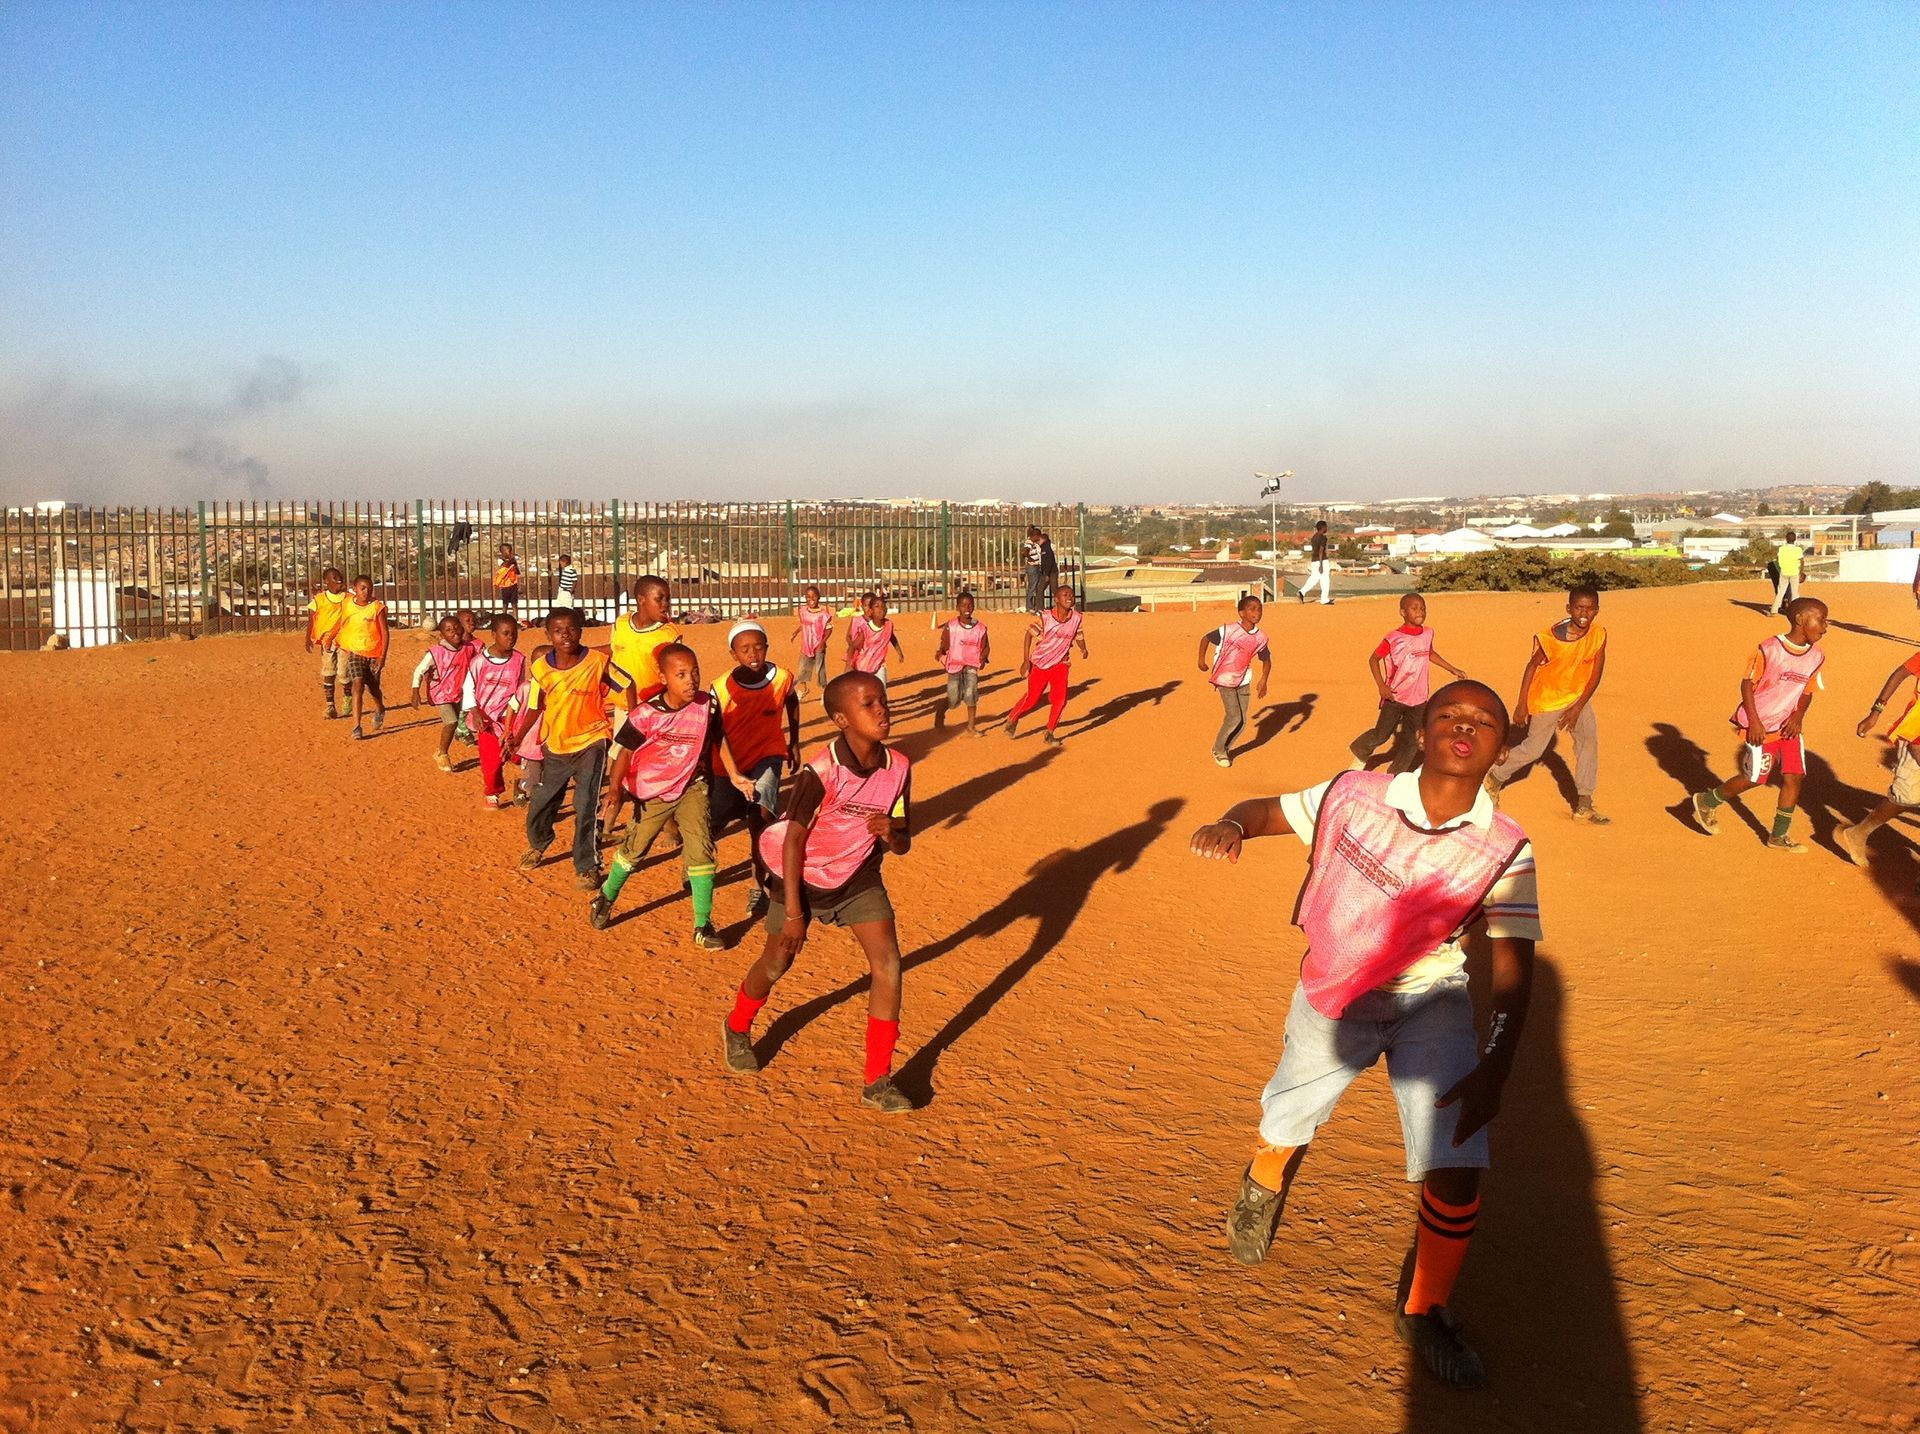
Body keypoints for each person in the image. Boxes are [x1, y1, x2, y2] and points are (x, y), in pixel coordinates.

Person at [1190, 680, 1539, 1389]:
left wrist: (1496, 1063)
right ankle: (1263, 1182)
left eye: (1484, 722)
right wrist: (1231, 821)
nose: (1464, 727)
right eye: (1449, 714)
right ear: (1421, 728)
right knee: (1288, 1116)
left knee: (1458, 1152)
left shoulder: (1506, 848)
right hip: (1334, 993)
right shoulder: (1354, 793)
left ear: (1504, 747)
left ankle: (1426, 1307)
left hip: (1429, 998)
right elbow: (1265, 811)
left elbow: (1512, 960)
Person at [721, 672, 914, 1114]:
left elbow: (904, 841)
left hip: (857, 876)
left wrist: (892, 835)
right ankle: (737, 1026)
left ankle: (877, 1080)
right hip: (799, 875)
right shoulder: (821, 770)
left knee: (887, 962)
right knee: (777, 961)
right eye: (869, 704)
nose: (882, 710)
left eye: (882, 700)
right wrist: (794, 914)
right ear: (840, 718)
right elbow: (792, 839)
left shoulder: (899, 769)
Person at [592, 643, 756, 948]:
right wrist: (614, 788)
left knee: (701, 851)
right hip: (653, 792)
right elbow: (625, 751)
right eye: (681, 674)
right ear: (664, 677)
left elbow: (718, 737)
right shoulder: (647, 714)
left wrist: (734, 775)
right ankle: (607, 895)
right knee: (634, 850)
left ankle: (703, 925)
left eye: (694, 672)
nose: (690, 680)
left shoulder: (707, 706)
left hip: (693, 786)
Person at [1690, 598, 1828, 854]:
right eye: (1820, 620)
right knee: (1755, 778)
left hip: (1789, 725)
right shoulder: (1769, 649)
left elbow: (1807, 691)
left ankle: (1778, 835)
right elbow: (1747, 684)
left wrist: (1798, 717)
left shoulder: (1817, 657)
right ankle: (1707, 801)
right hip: (1761, 725)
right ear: (1800, 620)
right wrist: (1754, 721)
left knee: (1795, 777)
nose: (1825, 627)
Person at [504, 607, 631, 888]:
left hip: (592, 741)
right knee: (542, 800)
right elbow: (535, 706)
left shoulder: (597, 662)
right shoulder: (541, 669)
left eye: (572, 629)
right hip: (556, 745)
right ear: (548, 634)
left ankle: (586, 865)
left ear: (581, 631)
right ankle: (539, 842)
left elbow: (626, 684)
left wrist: (635, 718)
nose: (566, 635)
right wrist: (516, 735)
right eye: (558, 630)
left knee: (585, 803)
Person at [1485, 585, 1609, 823]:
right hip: (1548, 698)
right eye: (1579, 607)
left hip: (1577, 696)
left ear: (1597, 611)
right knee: (1534, 748)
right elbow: (1532, 667)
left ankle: (1584, 804)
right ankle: (1494, 778)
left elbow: (1596, 673)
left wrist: (1578, 707)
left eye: (1590, 608)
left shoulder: (1599, 634)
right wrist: (1522, 705)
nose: (1584, 613)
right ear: (1569, 608)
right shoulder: (1551, 637)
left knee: (1588, 742)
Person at [711, 621, 802, 917]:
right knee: (716, 817)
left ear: (767, 648)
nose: (753, 654)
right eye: (745, 649)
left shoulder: (783, 677)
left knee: (760, 821)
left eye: (759, 647)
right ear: (733, 653)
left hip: (768, 756)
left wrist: (795, 740)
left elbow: (791, 700)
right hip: (729, 764)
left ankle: (757, 885)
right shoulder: (721, 687)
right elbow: (713, 731)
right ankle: (700, 859)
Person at [1348, 593, 1470, 774]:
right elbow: (1374, 659)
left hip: (1419, 699)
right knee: (1381, 735)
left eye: (1423, 608)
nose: (1420, 611)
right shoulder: (1393, 637)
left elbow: (1429, 653)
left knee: (1413, 740)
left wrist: (1452, 669)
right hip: (1395, 697)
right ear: (1402, 612)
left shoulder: (1428, 633)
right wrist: (1382, 686)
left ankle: (1394, 775)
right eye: (1414, 608)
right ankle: (1360, 754)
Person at [1836, 638, 1920, 866]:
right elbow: (1899, 674)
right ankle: (1859, 832)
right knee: (1906, 797)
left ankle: (1859, 832)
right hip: (1916, 735)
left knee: (1908, 798)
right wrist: (1876, 712)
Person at [1005, 584, 1088, 746]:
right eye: (1065, 594)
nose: (1069, 597)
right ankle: (1013, 718)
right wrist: (1026, 660)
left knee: (1060, 699)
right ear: (1056, 599)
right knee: (1032, 699)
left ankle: (1049, 732)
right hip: (1041, 663)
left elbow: (1079, 634)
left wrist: (1083, 648)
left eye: (1071, 595)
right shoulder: (1046, 618)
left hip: (1061, 663)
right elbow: (1028, 635)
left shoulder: (1077, 618)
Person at [462, 613, 528, 809]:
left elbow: (520, 688)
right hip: (487, 720)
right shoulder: (479, 662)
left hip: (510, 718)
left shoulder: (519, 659)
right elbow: (468, 687)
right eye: (505, 634)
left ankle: (523, 784)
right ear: (493, 635)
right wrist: (475, 712)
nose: (510, 638)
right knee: (491, 761)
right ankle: (493, 793)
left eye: (514, 634)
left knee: (520, 755)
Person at [1199, 595, 1272, 767]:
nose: (1257, 612)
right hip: (1224, 678)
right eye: (1251, 608)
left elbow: (1267, 659)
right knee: (1234, 717)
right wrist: (1201, 661)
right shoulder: (1228, 630)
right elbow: (1206, 639)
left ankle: (1224, 748)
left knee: (1242, 721)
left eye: (1259, 608)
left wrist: (1264, 680)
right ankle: (1219, 749)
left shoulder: (1261, 637)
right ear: (1241, 613)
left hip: (1243, 680)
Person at [410, 615, 479, 774]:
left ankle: (461, 734)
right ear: (442, 635)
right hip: (441, 693)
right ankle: (442, 753)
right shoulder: (436, 652)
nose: (453, 632)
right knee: (451, 721)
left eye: (456, 628)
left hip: (458, 692)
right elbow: (419, 670)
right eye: (448, 630)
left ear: (462, 629)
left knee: (462, 720)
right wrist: (415, 691)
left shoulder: (469, 648)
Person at [610, 575, 681, 705]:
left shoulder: (669, 634)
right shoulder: (621, 623)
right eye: (659, 599)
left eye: (668, 599)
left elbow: (678, 673)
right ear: (641, 600)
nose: (665, 605)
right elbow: (615, 649)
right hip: (622, 705)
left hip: (654, 707)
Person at [337, 574, 390, 740]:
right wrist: (333, 638)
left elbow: (385, 633)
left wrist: (382, 656)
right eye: (362, 588)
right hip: (355, 652)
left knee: (373, 688)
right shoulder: (346, 603)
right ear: (355, 589)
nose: (366, 592)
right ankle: (356, 726)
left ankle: (380, 708)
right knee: (357, 684)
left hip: (373, 654)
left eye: (369, 588)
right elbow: (341, 621)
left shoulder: (376, 607)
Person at [934, 591, 992, 734]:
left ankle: (971, 727)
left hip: (971, 665)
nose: (967, 608)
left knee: (971, 693)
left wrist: (983, 658)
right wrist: (941, 653)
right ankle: (941, 711)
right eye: (963, 605)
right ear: (957, 607)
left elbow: (986, 646)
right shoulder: (951, 626)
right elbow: (945, 643)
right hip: (954, 665)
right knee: (954, 699)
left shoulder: (980, 628)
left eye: (970, 605)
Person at [303, 567, 351, 719]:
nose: (339, 580)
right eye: (335, 577)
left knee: (344, 673)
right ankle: (330, 706)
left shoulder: (348, 598)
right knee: (328, 672)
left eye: (340, 577)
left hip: (344, 641)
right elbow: (312, 618)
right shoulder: (320, 599)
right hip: (326, 642)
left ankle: (347, 696)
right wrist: (308, 638)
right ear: (326, 582)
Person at [846, 594, 903, 686]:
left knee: (881, 689)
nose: (881, 609)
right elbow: (852, 645)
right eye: (877, 607)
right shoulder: (865, 629)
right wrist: (848, 666)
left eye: (883, 606)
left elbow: (892, 637)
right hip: (863, 666)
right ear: (871, 611)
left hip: (879, 665)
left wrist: (899, 653)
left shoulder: (889, 624)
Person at [790, 585, 834, 699]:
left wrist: (823, 642)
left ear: (819, 597)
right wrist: (795, 632)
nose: (811, 599)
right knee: (802, 669)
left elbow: (829, 629)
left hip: (818, 645)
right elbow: (804, 624)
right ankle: (804, 690)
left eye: (814, 596)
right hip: (806, 645)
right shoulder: (803, 610)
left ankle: (825, 692)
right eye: (808, 597)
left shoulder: (824, 615)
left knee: (820, 670)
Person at [1768, 530, 1804, 615]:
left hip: (1784, 572)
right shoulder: (1798, 550)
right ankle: (1796, 611)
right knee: (1795, 593)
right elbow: (1802, 561)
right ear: (1795, 539)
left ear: (1786, 539)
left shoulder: (1781, 549)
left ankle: (1774, 610)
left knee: (1780, 592)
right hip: (1794, 572)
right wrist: (1801, 572)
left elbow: (1778, 560)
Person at [1297, 521, 1333, 605]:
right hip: (1322, 560)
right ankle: (1324, 599)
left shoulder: (1314, 537)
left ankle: (1302, 592)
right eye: (1326, 527)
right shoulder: (1323, 538)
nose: (1327, 528)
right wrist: (1321, 565)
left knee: (1314, 578)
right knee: (1325, 580)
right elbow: (1321, 551)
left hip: (1314, 560)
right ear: (1323, 528)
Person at [1023, 527, 1048, 613]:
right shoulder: (1029, 542)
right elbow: (1024, 552)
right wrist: (1031, 559)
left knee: (1037, 587)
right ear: (1036, 535)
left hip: (1036, 566)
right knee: (1032, 587)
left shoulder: (1034, 543)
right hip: (1032, 567)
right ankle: (1029, 607)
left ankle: (1035, 606)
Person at [493, 543, 522, 615]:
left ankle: (515, 619)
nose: (510, 552)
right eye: (508, 551)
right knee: (505, 603)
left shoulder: (512, 561)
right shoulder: (500, 560)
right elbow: (505, 565)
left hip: (513, 583)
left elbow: (517, 572)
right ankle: (504, 616)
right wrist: (512, 559)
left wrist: (515, 563)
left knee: (514, 603)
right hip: (505, 585)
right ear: (503, 551)